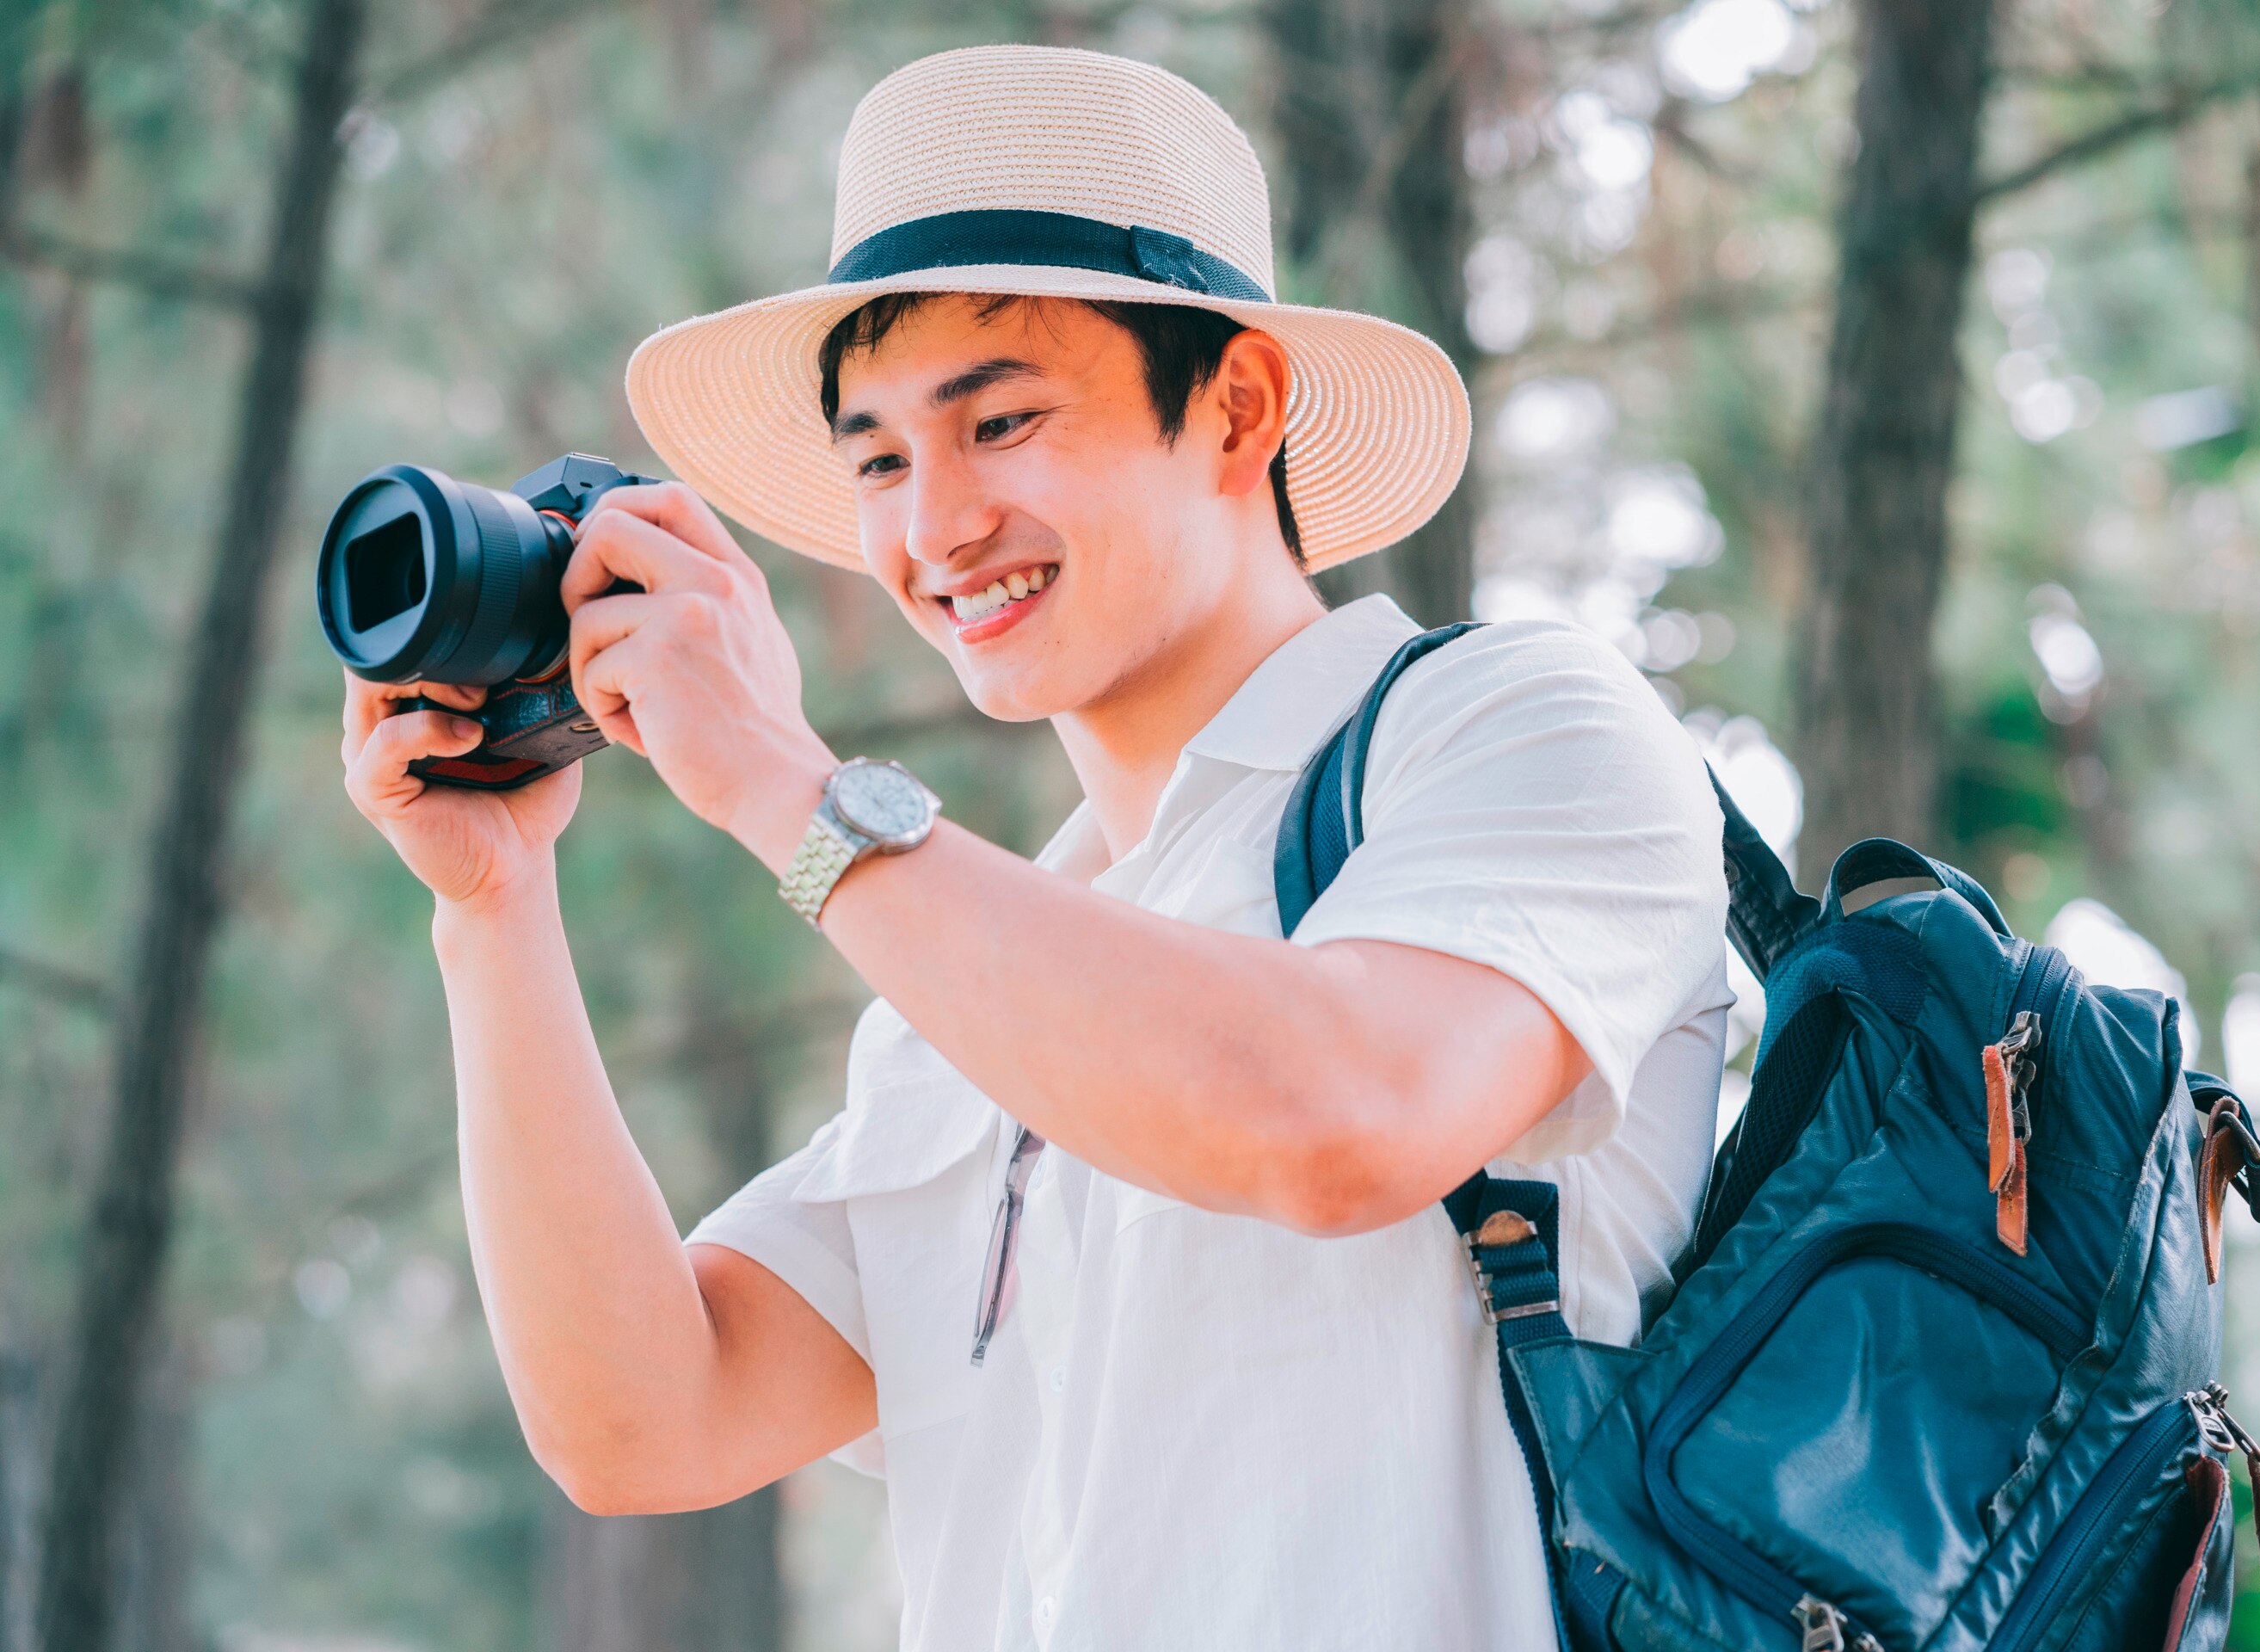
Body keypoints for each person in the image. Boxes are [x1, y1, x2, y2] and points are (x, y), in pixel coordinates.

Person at [341, 44, 1729, 1652]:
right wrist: (493, 910)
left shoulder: (1510, 729)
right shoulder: (960, 988)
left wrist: (787, 788)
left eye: (999, 421)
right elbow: (647, 1419)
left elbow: (1337, 1118)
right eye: (875, 460)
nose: (931, 529)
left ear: (1238, 406)